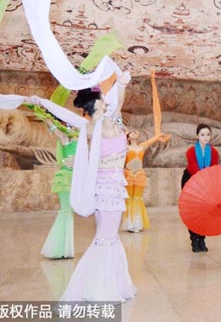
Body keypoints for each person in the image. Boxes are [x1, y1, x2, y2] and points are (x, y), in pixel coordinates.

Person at [61, 72, 137, 302]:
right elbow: (90, 157)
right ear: (95, 104)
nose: (107, 101)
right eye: (102, 98)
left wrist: (122, 83)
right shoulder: (91, 128)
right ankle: (94, 288)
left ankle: (113, 284)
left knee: (111, 236)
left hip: (117, 185)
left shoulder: (112, 120)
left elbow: (120, 101)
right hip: (105, 187)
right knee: (105, 237)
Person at [41, 118, 77, 259]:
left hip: (74, 178)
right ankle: (58, 248)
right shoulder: (66, 140)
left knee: (68, 212)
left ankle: (63, 248)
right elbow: (56, 131)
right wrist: (47, 119)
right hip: (66, 178)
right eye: (70, 126)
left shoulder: (83, 142)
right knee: (65, 211)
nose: (73, 129)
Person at [182, 124, 219, 252]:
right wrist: (202, 178)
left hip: (206, 182)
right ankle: (194, 239)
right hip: (191, 180)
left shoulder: (213, 152)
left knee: (205, 212)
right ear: (197, 136)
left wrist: (207, 180)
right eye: (202, 135)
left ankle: (202, 239)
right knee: (193, 212)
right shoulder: (191, 151)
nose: (205, 137)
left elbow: (214, 167)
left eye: (208, 135)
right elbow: (193, 168)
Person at [123, 129, 169, 232]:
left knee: (138, 198)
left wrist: (159, 135)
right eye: (130, 133)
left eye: (134, 132)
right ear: (128, 137)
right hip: (129, 174)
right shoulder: (125, 148)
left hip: (139, 174)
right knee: (130, 198)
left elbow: (152, 140)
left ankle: (137, 223)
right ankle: (130, 224)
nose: (133, 133)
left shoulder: (142, 146)